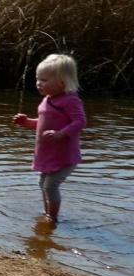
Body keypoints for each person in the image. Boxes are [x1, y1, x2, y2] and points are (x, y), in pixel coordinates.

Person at [13, 54, 86, 223]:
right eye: (38, 79)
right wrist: (27, 122)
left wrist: (63, 133)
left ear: (62, 82)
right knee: (42, 183)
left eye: (44, 80)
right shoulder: (47, 100)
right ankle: (47, 213)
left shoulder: (70, 100)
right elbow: (43, 123)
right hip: (48, 153)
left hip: (64, 155)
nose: (39, 83)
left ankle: (52, 218)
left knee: (50, 185)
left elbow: (80, 121)